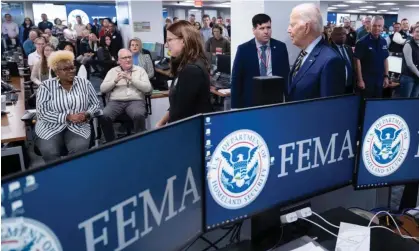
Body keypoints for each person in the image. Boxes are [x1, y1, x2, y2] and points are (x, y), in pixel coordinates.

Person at [35, 50, 100, 163]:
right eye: (65, 69)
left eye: (72, 68)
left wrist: (87, 114)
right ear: (56, 72)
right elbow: (42, 112)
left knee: (78, 152)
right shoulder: (46, 86)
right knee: (49, 152)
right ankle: (56, 177)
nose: (71, 71)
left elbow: (95, 104)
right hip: (49, 127)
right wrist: (67, 117)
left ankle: (75, 177)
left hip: (79, 127)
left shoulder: (84, 83)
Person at [156, 21, 212, 127]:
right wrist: (162, 122)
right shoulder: (186, 65)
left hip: (189, 129)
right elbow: (177, 103)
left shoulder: (191, 70)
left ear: (184, 40)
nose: (166, 45)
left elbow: (180, 113)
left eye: (169, 40)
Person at [287, 3, 345, 102]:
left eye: (292, 25)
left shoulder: (330, 61)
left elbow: (330, 107)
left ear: (306, 28)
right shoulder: (305, 53)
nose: (288, 30)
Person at [231, 14, 289, 108]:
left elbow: (286, 76)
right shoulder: (244, 49)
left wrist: (288, 101)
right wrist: (235, 108)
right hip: (251, 101)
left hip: (275, 100)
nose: (266, 31)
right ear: (254, 30)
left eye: (268, 27)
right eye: (262, 28)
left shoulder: (280, 47)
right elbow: (236, 79)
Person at [100, 49, 153, 142]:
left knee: (139, 114)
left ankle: (140, 141)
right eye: (124, 58)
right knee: (104, 116)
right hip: (116, 101)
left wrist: (131, 79)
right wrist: (115, 81)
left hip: (135, 101)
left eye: (129, 57)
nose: (128, 60)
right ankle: (111, 142)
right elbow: (102, 89)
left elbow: (148, 88)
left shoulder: (140, 70)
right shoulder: (112, 71)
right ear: (119, 61)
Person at [354, 16, 390, 98]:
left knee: (377, 103)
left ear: (382, 27)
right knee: (365, 104)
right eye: (374, 25)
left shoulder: (383, 41)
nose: (376, 28)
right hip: (367, 80)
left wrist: (386, 76)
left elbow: (385, 59)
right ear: (371, 25)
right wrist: (360, 80)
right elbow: (357, 61)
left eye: (379, 26)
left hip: (379, 79)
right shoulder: (362, 42)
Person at [330, 27, 356, 94]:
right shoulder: (329, 49)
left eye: (344, 34)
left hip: (350, 86)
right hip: (335, 87)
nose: (342, 36)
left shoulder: (349, 48)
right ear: (332, 36)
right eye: (339, 34)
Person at [399, 25, 419, 98]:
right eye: (417, 32)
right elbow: (410, 64)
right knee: (405, 102)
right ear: (413, 33)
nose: (418, 34)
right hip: (408, 77)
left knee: (413, 102)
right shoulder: (408, 44)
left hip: (417, 78)